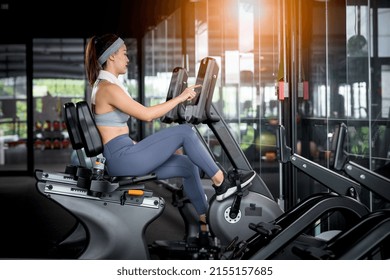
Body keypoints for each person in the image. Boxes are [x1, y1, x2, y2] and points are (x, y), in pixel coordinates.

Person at [84, 33, 256, 233]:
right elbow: (147, 115)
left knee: (188, 166)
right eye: (124, 53)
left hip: (124, 153)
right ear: (112, 56)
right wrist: (181, 98)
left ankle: (205, 223)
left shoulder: (105, 86)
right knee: (185, 132)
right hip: (122, 158)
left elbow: (113, 129)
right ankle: (221, 182)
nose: (127, 58)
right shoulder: (108, 88)